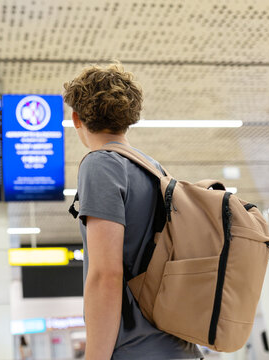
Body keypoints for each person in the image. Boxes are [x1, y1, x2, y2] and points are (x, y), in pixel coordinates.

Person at [63, 63, 204, 360]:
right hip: (175, 346)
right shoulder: (154, 168)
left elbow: (106, 274)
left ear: (76, 118)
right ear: (128, 118)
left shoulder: (101, 164)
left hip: (135, 349)